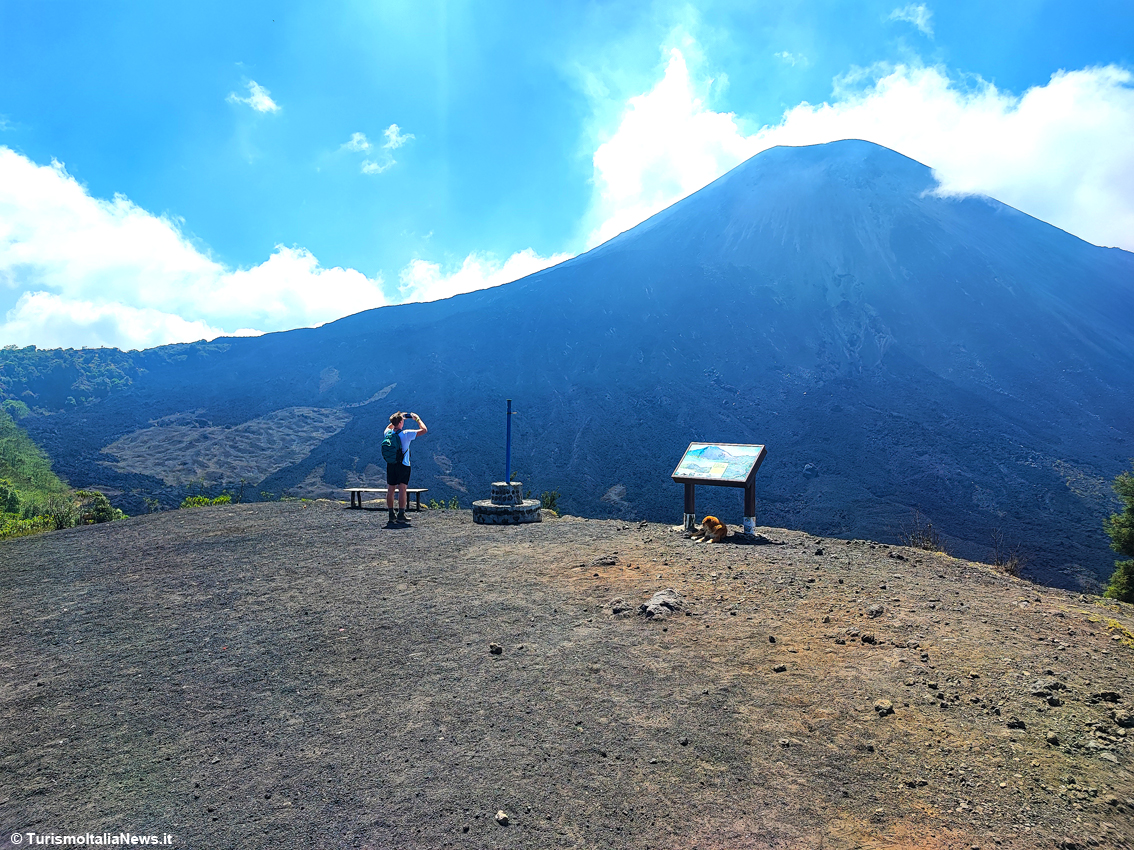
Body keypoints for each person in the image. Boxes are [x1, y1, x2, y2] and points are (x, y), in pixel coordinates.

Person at [384, 411, 427, 526]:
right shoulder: (406, 434)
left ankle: (391, 515)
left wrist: (398, 419)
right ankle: (401, 515)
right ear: (401, 422)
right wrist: (417, 419)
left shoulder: (387, 433)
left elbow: (389, 427)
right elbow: (424, 430)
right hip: (403, 465)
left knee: (391, 489)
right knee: (402, 489)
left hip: (391, 464)